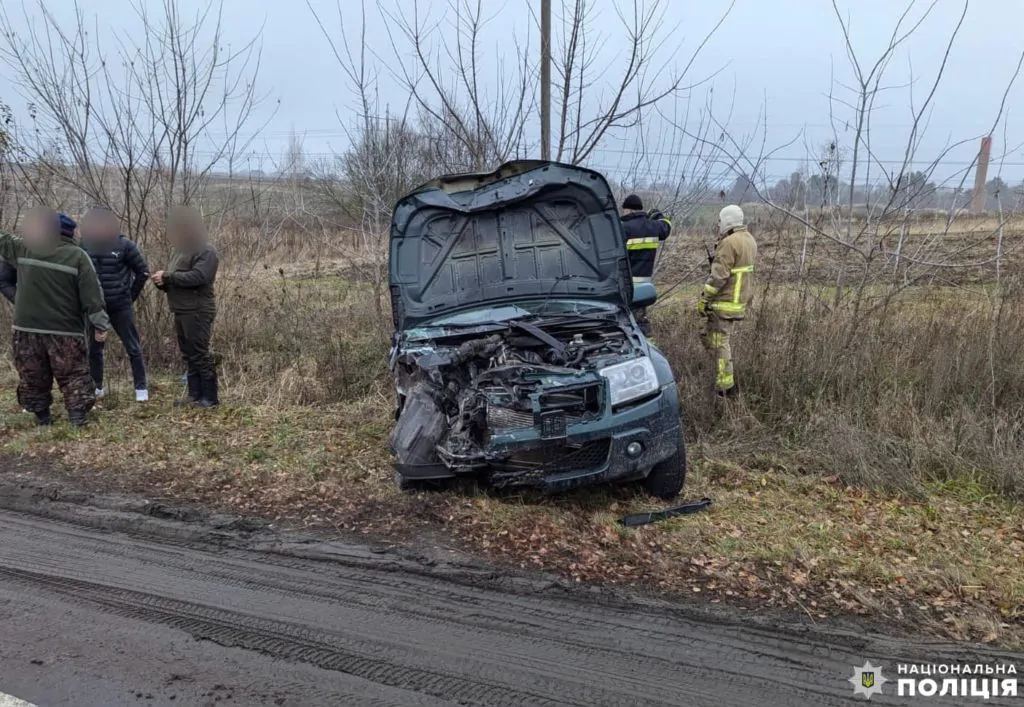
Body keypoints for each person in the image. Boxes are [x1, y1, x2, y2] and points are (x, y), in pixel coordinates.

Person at [0, 206, 110, 426]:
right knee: (74, 374)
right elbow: (92, 295)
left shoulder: (25, 248)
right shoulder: (78, 256)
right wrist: (101, 325)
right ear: (70, 233)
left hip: (26, 329)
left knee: (33, 375)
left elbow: (3, 239)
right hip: (65, 330)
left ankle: (43, 419)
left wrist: (19, 299)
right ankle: (77, 419)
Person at [79, 207, 151, 402]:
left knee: (132, 347)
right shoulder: (84, 246)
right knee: (94, 349)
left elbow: (142, 272)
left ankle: (141, 389)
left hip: (120, 306)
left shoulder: (124, 245)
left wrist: (129, 296)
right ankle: (97, 387)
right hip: (95, 309)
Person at [152, 206, 220, 407]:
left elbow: (200, 277)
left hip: (198, 310)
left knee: (199, 352)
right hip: (180, 309)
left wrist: (168, 276)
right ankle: (194, 396)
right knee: (188, 354)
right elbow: (177, 280)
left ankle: (210, 397)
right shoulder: (179, 252)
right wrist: (163, 283)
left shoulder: (207, 251)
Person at [697, 204, 757, 398]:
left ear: (727, 221)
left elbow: (718, 276)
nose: (719, 224)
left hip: (724, 302)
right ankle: (720, 374)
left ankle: (725, 388)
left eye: (721, 221)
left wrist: (704, 298)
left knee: (719, 343)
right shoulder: (749, 240)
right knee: (709, 337)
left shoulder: (729, 242)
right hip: (738, 301)